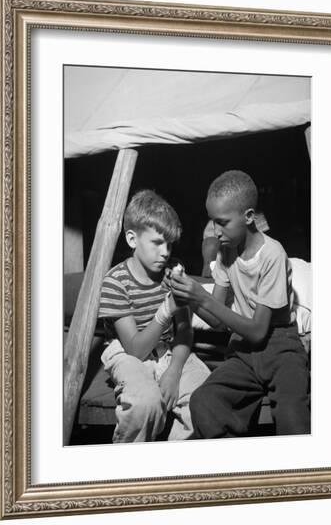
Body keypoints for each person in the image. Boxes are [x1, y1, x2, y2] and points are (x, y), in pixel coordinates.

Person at [170, 170, 310, 438]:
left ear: (248, 217)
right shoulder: (226, 252)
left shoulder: (272, 254)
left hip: (280, 345)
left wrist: (202, 296)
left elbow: (259, 330)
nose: (215, 232)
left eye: (222, 222)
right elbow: (217, 320)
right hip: (242, 350)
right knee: (204, 401)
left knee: (293, 416)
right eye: (212, 222)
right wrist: (189, 298)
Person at [98, 189, 210, 442]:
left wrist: (174, 370)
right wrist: (166, 308)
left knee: (206, 398)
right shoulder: (116, 282)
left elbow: (184, 330)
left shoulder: (172, 272)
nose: (165, 252)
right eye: (157, 243)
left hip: (171, 350)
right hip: (127, 355)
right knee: (145, 404)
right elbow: (135, 350)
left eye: (169, 244)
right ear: (132, 239)